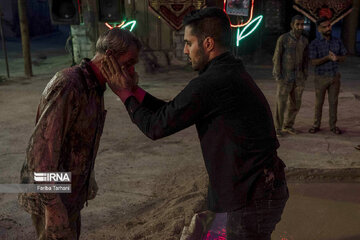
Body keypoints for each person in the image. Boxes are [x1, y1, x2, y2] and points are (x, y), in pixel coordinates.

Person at [102, 7, 288, 239]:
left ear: (208, 44)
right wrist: (134, 91)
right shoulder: (226, 71)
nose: (185, 50)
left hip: (251, 197)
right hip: (251, 190)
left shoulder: (213, 83)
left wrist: (124, 93)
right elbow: (170, 111)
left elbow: (155, 127)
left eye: (189, 43)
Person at [18, 28, 141, 240]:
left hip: (67, 193)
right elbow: (42, 150)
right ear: (109, 57)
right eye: (128, 63)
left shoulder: (94, 86)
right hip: (51, 194)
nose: (131, 72)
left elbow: (79, 141)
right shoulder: (69, 84)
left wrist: (87, 178)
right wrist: (52, 205)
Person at [308, 17, 347, 134]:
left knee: (333, 102)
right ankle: (316, 125)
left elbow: (344, 56)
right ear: (319, 29)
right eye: (324, 27)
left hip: (334, 77)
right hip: (320, 77)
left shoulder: (337, 41)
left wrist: (337, 58)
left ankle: (333, 126)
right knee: (319, 103)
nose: (328, 28)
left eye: (329, 26)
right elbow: (313, 62)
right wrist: (327, 58)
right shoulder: (315, 43)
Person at [273, 15, 309, 137]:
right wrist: (278, 75)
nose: (300, 27)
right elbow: (277, 57)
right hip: (285, 77)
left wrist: (305, 74)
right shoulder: (283, 39)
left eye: (302, 24)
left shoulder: (304, 41)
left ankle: (288, 126)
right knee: (281, 104)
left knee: (295, 103)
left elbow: (305, 59)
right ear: (292, 25)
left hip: (298, 78)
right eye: (297, 24)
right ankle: (278, 128)